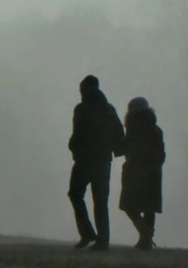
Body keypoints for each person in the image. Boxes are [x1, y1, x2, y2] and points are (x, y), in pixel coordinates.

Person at [67, 75, 124, 250]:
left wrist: (73, 148)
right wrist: (115, 150)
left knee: (75, 194)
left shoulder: (82, 109)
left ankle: (87, 234)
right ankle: (103, 239)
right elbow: (119, 133)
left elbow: (78, 134)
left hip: (85, 160)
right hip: (103, 161)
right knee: (100, 201)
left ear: (84, 90)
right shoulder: (109, 109)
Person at [119, 96, 166, 250]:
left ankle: (144, 234)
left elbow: (125, 149)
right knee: (149, 207)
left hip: (135, 172)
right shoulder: (156, 130)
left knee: (128, 205)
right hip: (153, 173)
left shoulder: (133, 129)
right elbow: (161, 154)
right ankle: (146, 238)